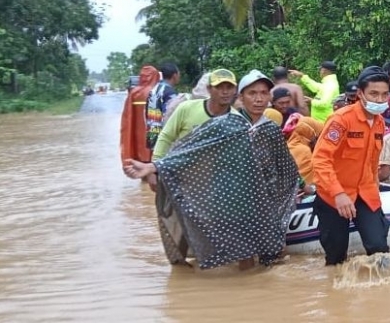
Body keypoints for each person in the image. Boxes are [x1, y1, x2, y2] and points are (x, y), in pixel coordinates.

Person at [122, 69, 299, 270]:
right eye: (252, 93)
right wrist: (154, 166)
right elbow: (194, 151)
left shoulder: (271, 129)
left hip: (263, 198)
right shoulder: (225, 124)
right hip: (231, 197)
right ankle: (243, 288)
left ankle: (257, 288)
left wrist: (298, 189)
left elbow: (285, 166)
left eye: (263, 93)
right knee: (244, 254)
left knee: (274, 253)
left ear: (269, 97)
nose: (258, 99)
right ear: (241, 97)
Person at [311, 66, 390, 265]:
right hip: (333, 195)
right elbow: (321, 159)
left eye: (384, 94)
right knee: (336, 257)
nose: (380, 100)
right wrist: (338, 193)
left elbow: (372, 163)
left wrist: (375, 192)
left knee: (379, 248)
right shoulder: (341, 120)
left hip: (365, 193)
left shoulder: (380, 123)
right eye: (374, 94)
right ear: (360, 94)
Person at [120, 65, 160, 166]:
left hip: (138, 140)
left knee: (142, 168)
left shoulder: (134, 93)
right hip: (156, 138)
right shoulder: (160, 92)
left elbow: (127, 118)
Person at [287, 117, 324, 200]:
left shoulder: (289, 144)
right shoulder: (304, 150)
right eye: (317, 135)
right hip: (302, 195)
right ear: (310, 133)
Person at [145, 63, 181, 150]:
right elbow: (171, 115)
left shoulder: (153, 90)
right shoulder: (169, 93)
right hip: (163, 137)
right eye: (179, 74)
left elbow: (146, 112)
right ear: (175, 75)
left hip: (152, 134)